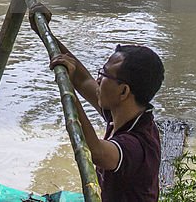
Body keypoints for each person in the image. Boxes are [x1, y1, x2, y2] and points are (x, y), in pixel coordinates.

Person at [50, 43, 164, 202]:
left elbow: (96, 152)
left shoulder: (136, 145)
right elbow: (83, 81)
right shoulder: (123, 113)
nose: (98, 79)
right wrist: (48, 36)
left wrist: (67, 89)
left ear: (123, 91)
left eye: (104, 74)